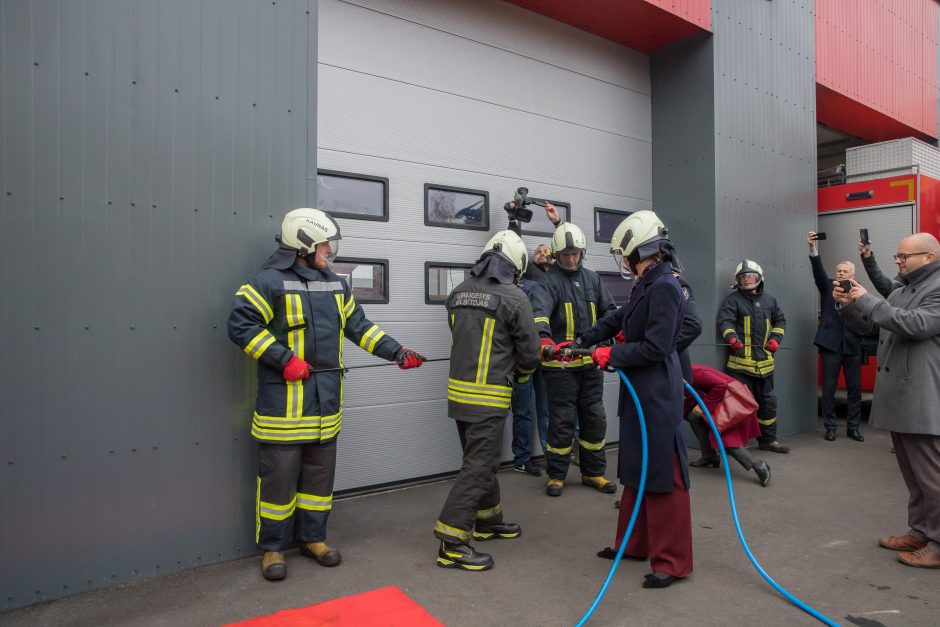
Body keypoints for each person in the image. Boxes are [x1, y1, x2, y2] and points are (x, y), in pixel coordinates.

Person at [228, 208, 425, 581]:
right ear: (303, 244)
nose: (330, 250)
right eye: (324, 243)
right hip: (282, 408)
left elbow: (359, 327)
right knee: (279, 480)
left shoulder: (337, 284)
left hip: (325, 406)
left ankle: (312, 538)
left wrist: (397, 352)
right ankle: (273, 549)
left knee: (319, 480)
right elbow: (240, 325)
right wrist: (283, 360)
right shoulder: (266, 282)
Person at [579, 210, 692, 589]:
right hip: (639, 390)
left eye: (624, 255)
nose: (623, 262)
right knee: (636, 469)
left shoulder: (666, 286)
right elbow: (620, 318)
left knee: (664, 473)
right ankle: (632, 544)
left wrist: (613, 355)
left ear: (640, 248)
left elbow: (658, 346)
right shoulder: (648, 282)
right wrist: (584, 340)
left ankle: (672, 562)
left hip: (657, 392)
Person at [434, 230, 541, 571]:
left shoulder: (458, 293)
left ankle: (488, 521)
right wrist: (523, 371)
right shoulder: (514, 298)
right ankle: (452, 541)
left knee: (481, 461)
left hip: (460, 396)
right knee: (479, 466)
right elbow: (530, 354)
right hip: (490, 397)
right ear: (516, 265)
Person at [835, 232, 940, 569]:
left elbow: (915, 325)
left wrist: (868, 299)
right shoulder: (901, 289)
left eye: (903, 256)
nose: (897, 261)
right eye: (897, 256)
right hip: (900, 396)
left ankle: (937, 544)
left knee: (932, 476)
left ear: (928, 257)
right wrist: (849, 306)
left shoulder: (936, 288)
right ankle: (920, 531)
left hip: (921, 398)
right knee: (914, 476)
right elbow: (873, 327)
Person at [532, 220, 618, 497]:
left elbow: (610, 313)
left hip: (590, 365)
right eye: (566, 254)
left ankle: (594, 473)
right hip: (560, 367)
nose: (571, 258)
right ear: (557, 255)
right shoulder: (548, 283)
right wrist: (545, 341)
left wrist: (613, 339)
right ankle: (556, 475)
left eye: (576, 253)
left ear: (582, 253)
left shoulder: (593, 279)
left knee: (595, 418)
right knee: (562, 420)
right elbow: (539, 316)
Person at [717, 260, 789, 453]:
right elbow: (725, 322)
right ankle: (735, 445)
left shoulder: (770, 301)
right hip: (740, 367)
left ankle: (768, 440)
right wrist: (733, 340)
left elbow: (780, 320)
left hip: (765, 366)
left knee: (768, 404)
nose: (747, 280)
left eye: (750, 276)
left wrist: (775, 339)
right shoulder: (732, 301)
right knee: (736, 406)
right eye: (743, 277)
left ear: (759, 278)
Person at [807, 231, 864, 442]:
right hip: (830, 345)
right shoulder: (827, 287)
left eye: (845, 271)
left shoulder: (860, 292)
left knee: (854, 389)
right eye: (838, 270)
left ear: (852, 275)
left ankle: (853, 428)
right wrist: (813, 249)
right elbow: (818, 272)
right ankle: (830, 427)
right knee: (829, 389)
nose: (840, 273)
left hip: (852, 346)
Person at [685, 364, 771, 486]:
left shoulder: (693, 372)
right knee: (694, 417)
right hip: (718, 397)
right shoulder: (681, 374)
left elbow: (721, 385)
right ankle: (709, 456)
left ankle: (758, 466)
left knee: (724, 436)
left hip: (729, 398)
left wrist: (703, 408)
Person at [510, 261, 549, 477]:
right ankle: (529, 457)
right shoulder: (524, 289)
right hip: (527, 361)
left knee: (529, 411)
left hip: (533, 360)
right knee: (533, 411)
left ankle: (526, 458)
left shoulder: (537, 288)